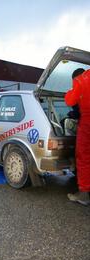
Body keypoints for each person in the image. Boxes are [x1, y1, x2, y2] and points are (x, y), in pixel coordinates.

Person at [65, 67, 90, 205]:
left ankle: (84, 194)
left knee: (84, 156)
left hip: (87, 122)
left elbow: (70, 100)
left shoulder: (81, 80)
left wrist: (71, 90)